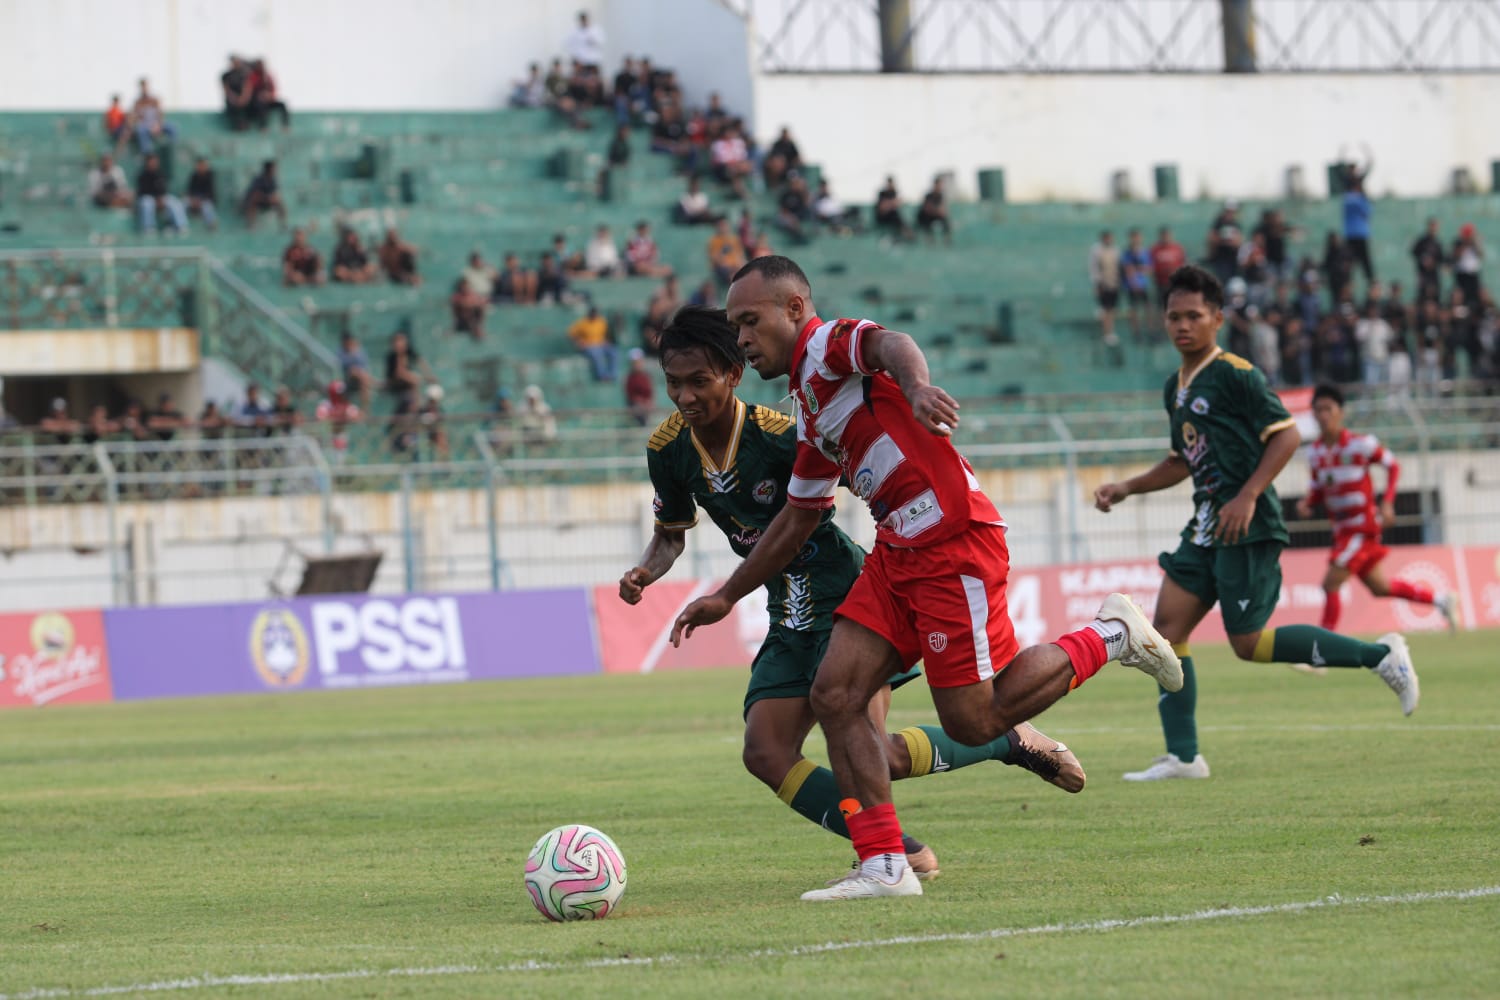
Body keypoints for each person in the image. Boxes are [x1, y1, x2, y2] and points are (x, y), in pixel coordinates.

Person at [671, 257, 1182, 901]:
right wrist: (726, 594)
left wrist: (913, 386)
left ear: (794, 309)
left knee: (975, 720)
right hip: (897, 549)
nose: (741, 337)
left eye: (750, 320)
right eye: (735, 325)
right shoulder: (805, 403)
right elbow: (800, 515)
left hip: (949, 541)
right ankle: (886, 866)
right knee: (834, 693)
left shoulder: (827, 347)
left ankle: (1111, 635)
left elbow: (892, 344)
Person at [622, 306, 1087, 885]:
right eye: (673, 383)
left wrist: (920, 498)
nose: (685, 397)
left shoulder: (781, 433)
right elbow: (670, 533)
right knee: (765, 752)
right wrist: (646, 570)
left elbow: (856, 472)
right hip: (784, 604)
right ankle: (897, 847)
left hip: (841, 587)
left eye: (699, 381)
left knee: (874, 751)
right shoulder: (666, 448)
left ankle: (989, 756)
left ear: (732, 375)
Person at [1093, 265, 1422, 783]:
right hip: (1206, 522)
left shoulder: (1236, 374)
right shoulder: (1173, 388)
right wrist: (1127, 487)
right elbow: (1182, 460)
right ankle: (1184, 756)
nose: (1183, 325)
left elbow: (1288, 435)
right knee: (1166, 632)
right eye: (1174, 316)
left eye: (1194, 316)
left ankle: (1382, 655)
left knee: (1247, 644)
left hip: (1246, 523)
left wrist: (1247, 495)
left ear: (1217, 319)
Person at [1295, 384, 1456, 633]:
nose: (1323, 415)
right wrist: (1307, 503)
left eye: (1328, 408)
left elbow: (1393, 466)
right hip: (1342, 531)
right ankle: (1441, 600)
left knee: (1330, 583)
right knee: (1380, 587)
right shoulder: (1314, 453)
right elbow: (1318, 488)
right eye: (1318, 410)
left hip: (1362, 528)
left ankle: (1322, 649)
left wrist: (1388, 503)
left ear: (1341, 412)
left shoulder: (1361, 444)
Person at [1341, 151, 1375, 284]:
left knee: (1366, 264)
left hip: (1361, 234)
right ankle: (1347, 285)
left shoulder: (1360, 196)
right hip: (1351, 234)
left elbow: (1368, 211)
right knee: (1349, 263)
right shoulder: (1349, 195)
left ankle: (1372, 286)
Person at [135, 154, 187, 234]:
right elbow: (142, 192)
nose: (153, 163)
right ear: (147, 162)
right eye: (151, 161)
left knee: (175, 202)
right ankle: (149, 227)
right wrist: (156, 199)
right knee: (147, 203)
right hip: (148, 198)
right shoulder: (142, 175)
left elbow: (164, 189)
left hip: (160, 198)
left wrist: (161, 198)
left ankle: (180, 226)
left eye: (155, 161)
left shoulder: (160, 173)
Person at [1088, 230, 1122, 346]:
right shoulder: (1096, 251)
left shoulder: (1115, 250)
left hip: (1114, 283)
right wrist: (1097, 284)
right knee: (1106, 309)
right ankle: (1107, 333)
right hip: (1103, 284)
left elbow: (1118, 267)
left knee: (1111, 309)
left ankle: (1110, 331)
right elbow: (1094, 268)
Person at [569, 305, 618, 381]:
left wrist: (607, 341)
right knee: (596, 354)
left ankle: (612, 375)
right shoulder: (583, 322)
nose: (594, 315)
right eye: (593, 314)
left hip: (601, 344)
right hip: (589, 346)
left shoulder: (601, 321)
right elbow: (571, 333)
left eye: (595, 314)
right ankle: (602, 376)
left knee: (613, 352)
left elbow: (607, 334)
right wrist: (579, 341)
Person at [1121, 228, 1153, 340]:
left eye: (1138, 237)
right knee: (1133, 309)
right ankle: (1136, 332)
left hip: (1144, 284)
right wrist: (1134, 283)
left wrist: (1139, 269)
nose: (1136, 239)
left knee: (1147, 307)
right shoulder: (1127, 253)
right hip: (1132, 286)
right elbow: (1128, 270)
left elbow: (1149, 269)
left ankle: (1149, 330)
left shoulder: (1145, 252)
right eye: (1134, 237)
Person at [1410, 218, 1445, 304]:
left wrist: (1434, 263)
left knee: (1435, 298)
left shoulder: (1438, 243)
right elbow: (1414, 252)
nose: (1433, 229)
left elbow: (1442, 259)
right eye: (1432, 226)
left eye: (1435, 227)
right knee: (1423, 296)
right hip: (1423, 275)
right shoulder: (1422, 241)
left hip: (1434, 276)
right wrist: (1423, 260)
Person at [242, 160, 286, 229]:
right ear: (268, 169)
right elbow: (255, 195)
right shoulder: (258, 179)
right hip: (256, 201)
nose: (276, 171)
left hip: (266, 200)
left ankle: (283, 225)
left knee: (279, 203)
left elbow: (275, 193)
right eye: (274, 169)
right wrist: (267, 198)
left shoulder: (273, 180)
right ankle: (250, 226)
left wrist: (272, 198)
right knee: (253, 201)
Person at [707, 217, 746, 285]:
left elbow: (740, 256)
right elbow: (715, 259)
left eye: (725, 225)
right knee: (733, 276)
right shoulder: (713, 241)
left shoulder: (734, 239)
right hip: (723, 268)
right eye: (721, 225)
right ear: (717, 227)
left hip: (736, 266)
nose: (724, 227)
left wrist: (740, 264)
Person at [622, 347, 655, 426]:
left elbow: (651, 394)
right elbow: (630, 396)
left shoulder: (647, 376)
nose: (637, 364)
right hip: (635, 407)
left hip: (647, 407)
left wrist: (648, 403)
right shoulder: (628, 378)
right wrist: (640, 403)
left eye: (639, 361)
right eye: (634, 362)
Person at [184, 157, 219, 230]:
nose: (202, 167)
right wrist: (193, 199)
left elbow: (211, 193)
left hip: (205, 201)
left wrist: (200, 200)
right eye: (200, 165)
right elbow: (189, 191)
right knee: (182, 203)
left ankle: (212, 227)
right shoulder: (194, 176)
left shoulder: (210, 176)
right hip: (193, 200)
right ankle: (181, 226)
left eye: (204, 165)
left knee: (207, 207)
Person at [915, 177, 951, 243]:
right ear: (935, 185)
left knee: (945, 221)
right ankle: (929, 240)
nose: (940, 187)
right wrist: (937, 210)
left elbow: (943, 210)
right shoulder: (928, 195)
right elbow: (927, 209)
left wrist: (939, 210)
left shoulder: (941, 196)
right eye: (939, 185)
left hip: (935, 215)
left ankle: (947, 240)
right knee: (926, 221)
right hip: (924, 217)